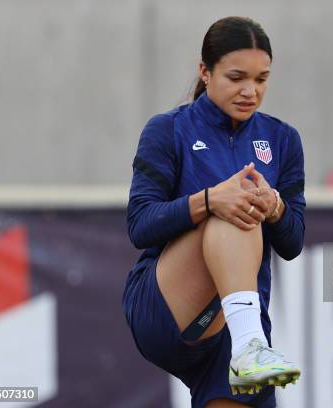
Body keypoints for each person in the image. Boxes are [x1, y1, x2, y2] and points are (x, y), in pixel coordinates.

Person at [121, 16, 306, 408]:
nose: (250, 91)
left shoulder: (283, 139)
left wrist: (275, 207)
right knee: (232, 203)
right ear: (205, 72)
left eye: (261, 79)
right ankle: (251, 348)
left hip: (230, 327)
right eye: (236, 77)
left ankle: (249, 346)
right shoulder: (168, 129)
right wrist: (208, 201)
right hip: (166, 306)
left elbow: (292, 243)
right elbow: (139, 225)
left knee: (241, 202)